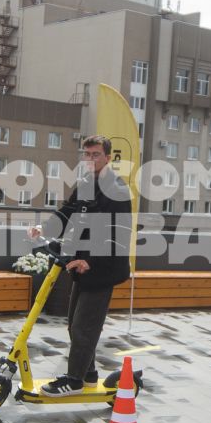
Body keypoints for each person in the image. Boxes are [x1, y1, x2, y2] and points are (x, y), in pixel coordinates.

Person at [26, 135, 131, 394]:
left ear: (107, 157)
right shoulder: (86, 182)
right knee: (75, 324)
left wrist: (90, 261)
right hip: (81, 263)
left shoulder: (116, 188)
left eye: (95, 154)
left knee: (84, 327)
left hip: (102, 268)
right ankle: (89, 373)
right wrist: (45, 227)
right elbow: (69, 210)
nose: (90, 159)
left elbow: (117, 232)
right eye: (87, 154)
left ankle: (74, 380)